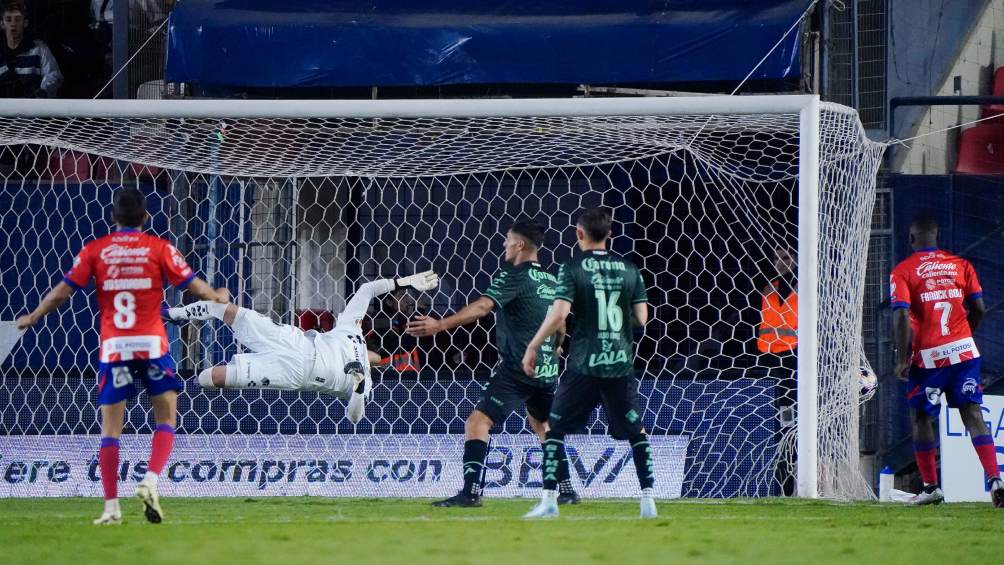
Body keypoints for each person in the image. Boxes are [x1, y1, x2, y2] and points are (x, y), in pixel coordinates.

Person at [15, 187, 228, 525]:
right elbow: (193, 286)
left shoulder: (96, 250)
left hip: (115, 347)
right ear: (145, 218)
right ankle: (151, 479)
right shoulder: (159, 248)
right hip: (152, 345)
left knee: (111, 430)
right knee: (166, 418)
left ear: (113, 218)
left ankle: (111, 508)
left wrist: (34, 316)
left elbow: (62, 292)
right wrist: (218, 295)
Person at [407, 218, 580, 507]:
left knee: (478, 423)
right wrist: (559, 346)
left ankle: (470, 493)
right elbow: (561, 320)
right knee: (543, 425)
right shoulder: (552, 280)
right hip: (548, 369)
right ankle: (566, 490)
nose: (503, 243)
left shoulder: (513, 275)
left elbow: (483, 307)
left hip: (518, 369)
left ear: (520, 245)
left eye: (507, 239)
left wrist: (439, 325)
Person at [165, 271, 439, 424]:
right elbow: (366, 290)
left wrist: (356, 388)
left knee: (209, 378)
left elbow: (355, 416)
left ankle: (172, 378)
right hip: (294, 340)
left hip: (295, 371)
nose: (376, 359)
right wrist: (404, 282)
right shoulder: (351, 329)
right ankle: (175, 315)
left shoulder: (363, 378)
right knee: (231, 311)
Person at [521, 207, 655, 519]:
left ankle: (550, 501)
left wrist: (534, 345)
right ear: (609, 234)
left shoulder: (572, 267)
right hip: (619, 363)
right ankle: (648, 499)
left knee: (554, 429)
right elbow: (641, 317)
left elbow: (558, 315)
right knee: (637, 432)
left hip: (584, 363)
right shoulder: (629, 269)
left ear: (579, 234)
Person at [890, 217, 1002, 507]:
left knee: (921, 417)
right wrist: (963, 336)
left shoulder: (903, 271)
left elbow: (901, 315)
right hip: (965, 353)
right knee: (973, 414)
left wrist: (903, 358)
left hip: (929, 359)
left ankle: (930, 487)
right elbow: (979, 308)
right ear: (937, 236)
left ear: (912, 239)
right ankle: (995, 479)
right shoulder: (961, 265)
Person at [757, 247, 798, 495]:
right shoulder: (768, 287)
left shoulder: (803, 288)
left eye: (785, 257)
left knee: (788, 418)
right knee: (775, 419)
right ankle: (776, 477)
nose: (781, 262)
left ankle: (789, 477)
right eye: (777, 258)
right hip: (767, 362)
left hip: (792, 361)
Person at [0, 1, 62, 97]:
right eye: (8, 20)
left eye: (18, 19)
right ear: (2, 24)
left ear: (25, 23)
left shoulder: (39, 49)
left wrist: (42, 92)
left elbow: (54, 76)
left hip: (31, 108)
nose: (13, 24)